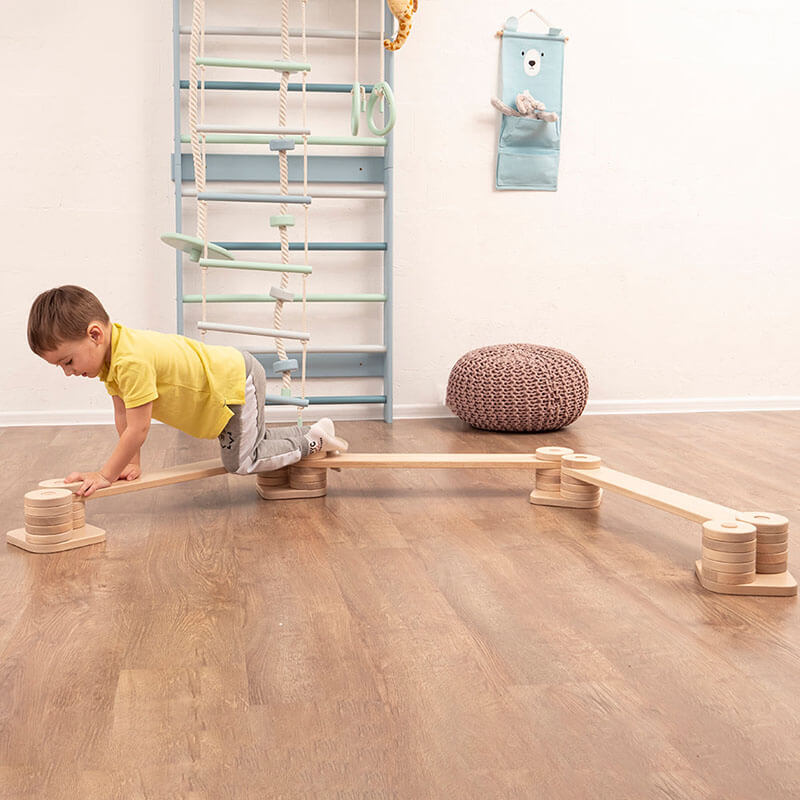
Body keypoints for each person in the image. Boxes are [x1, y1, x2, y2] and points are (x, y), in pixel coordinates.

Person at [26, 285, 347, 497]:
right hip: (226, 383)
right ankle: (315, 431)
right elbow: (124, 415)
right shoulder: (112, 356)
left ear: (95, 334)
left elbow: (138, 428)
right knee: (253, 446)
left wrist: (105, 474)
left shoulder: (130, 361)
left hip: (234, 384)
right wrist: (130, 463)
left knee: (241, 462)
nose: (68, 372)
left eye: (67, 361)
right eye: (61, 366)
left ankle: (312, 440)